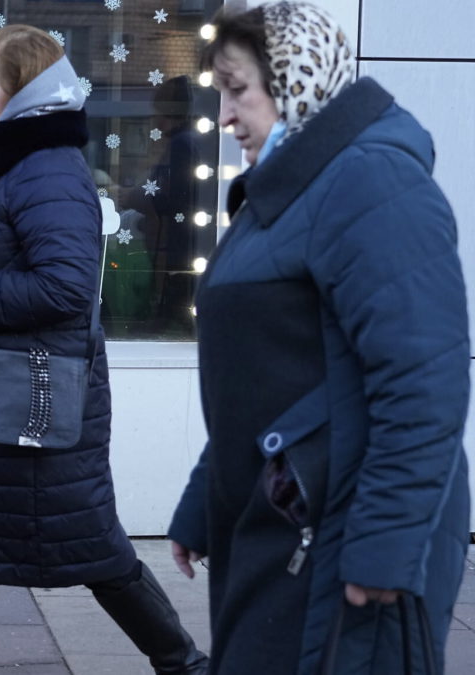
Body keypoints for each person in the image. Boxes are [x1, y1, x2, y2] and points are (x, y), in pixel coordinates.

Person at [0, 25, 209, 675]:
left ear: (25, 93)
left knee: (95, 553)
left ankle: (185, 663)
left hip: (20, 411)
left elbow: (65, 287)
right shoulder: (4, 167)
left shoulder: (47, 170)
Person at [168, 3, 469, 673]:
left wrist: (386, 546)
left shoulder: (371, 181)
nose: (223, 115)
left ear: (295, 80)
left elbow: (424, 380)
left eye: (238, 89)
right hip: (283, 525)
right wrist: (203, 497)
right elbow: (270, 375)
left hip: (343, 535)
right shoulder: (292, 192)